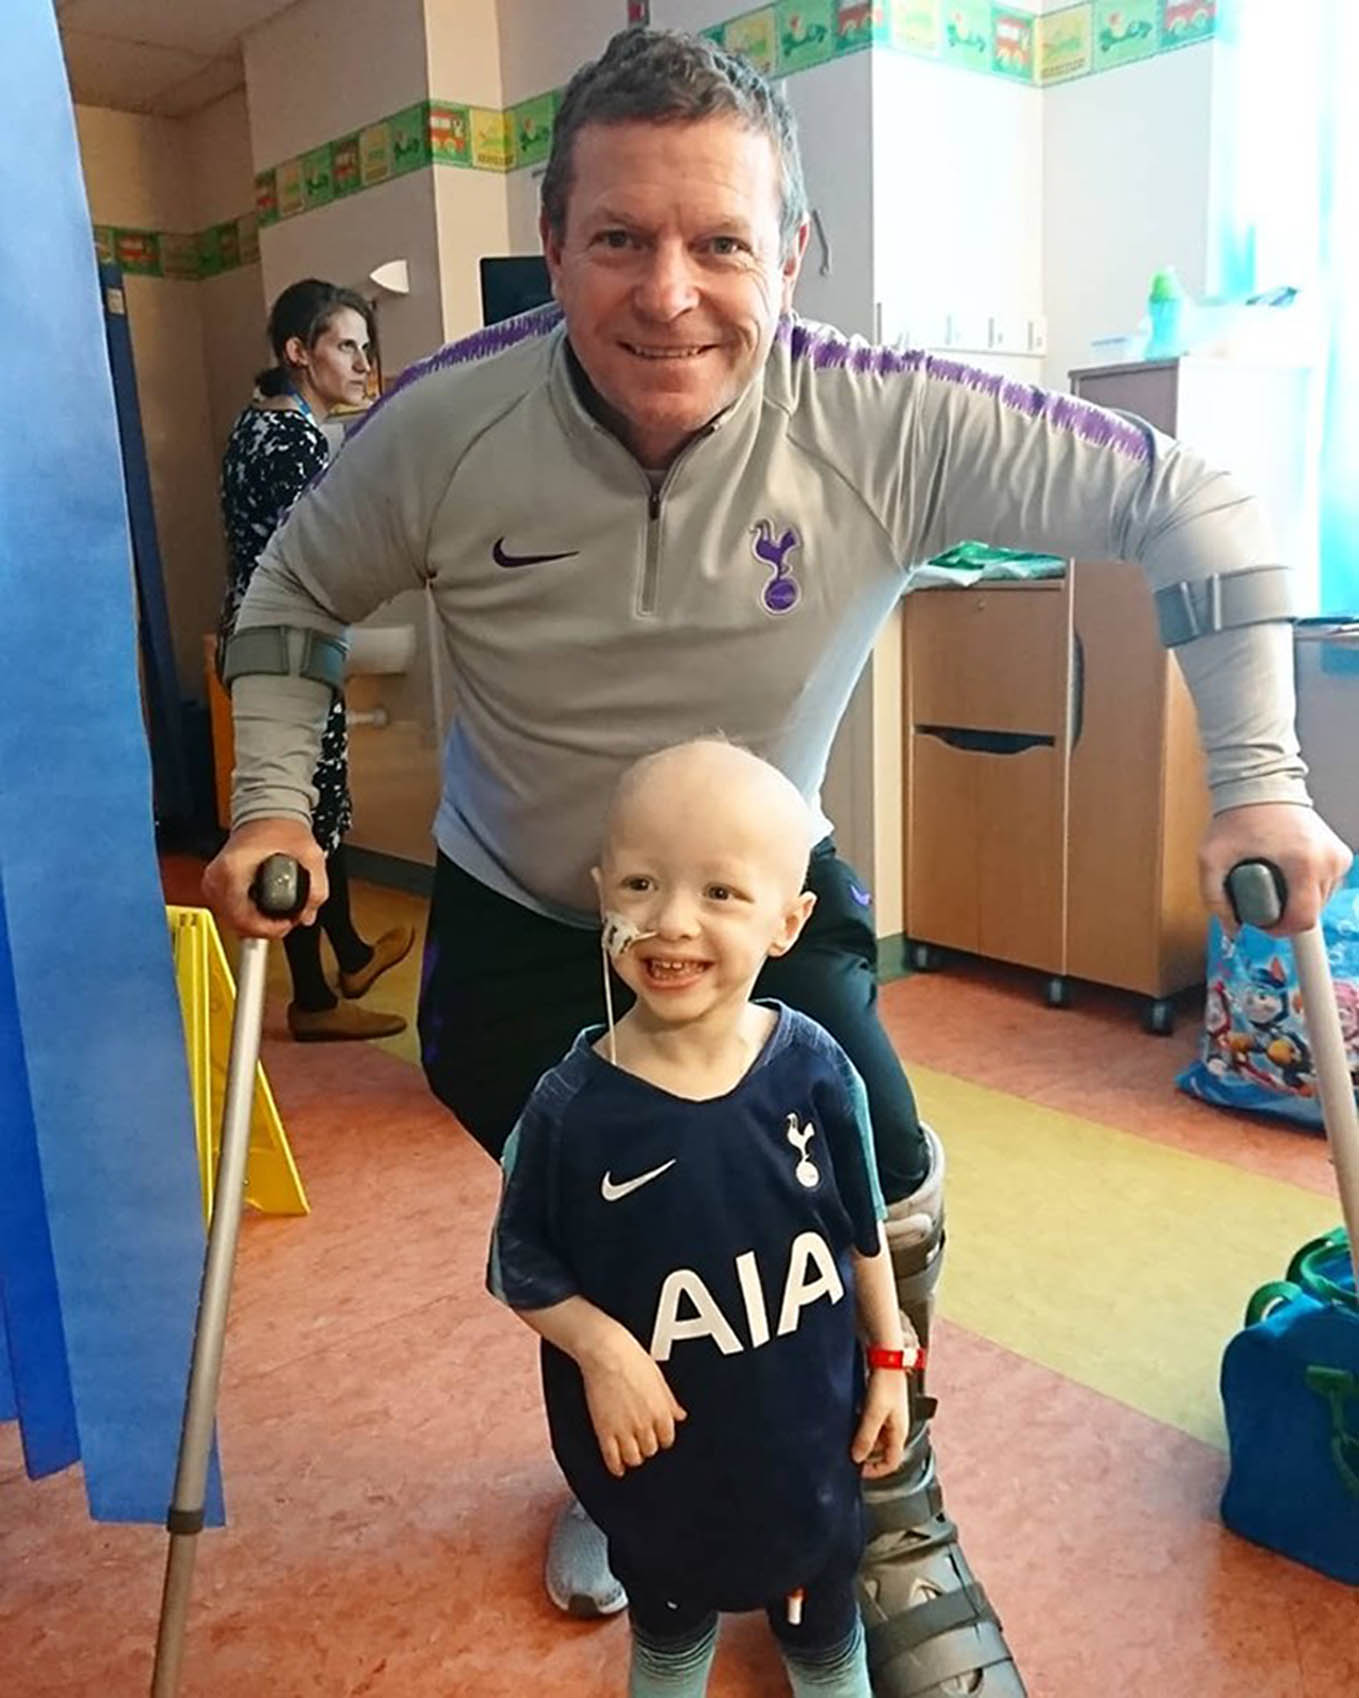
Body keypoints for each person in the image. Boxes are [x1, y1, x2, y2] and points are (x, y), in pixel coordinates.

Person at [203, 27, 1351, 1697]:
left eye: (720, 242)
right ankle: (630, 1479)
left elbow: (1199, 504)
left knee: (870, 1174)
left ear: (790, 254)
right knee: (600, 1216)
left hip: (765, 908)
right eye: (618, 238)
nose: (668, 293)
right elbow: (287, 598)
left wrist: (1253, 775)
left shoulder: (878, 419)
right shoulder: (445, 419)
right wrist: (268, 808)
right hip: (525, 922)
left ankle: (882, 1510)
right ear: (556, 237)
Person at [489, 739, 910, 1698]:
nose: (669, 921)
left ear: (788, 921)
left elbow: (860, 1224)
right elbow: (519, 1266)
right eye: (640, 882)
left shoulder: (814, 1068)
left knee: (825, 1644)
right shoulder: (568, 1109)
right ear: (602, 893)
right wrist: (604, 1351)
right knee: (670, 1643)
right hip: (660, 1473)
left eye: (720, 893)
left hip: (809, 1452)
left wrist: (888, 1359)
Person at [217, 278, 412, 1042]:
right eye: (345, 346)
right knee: (297, 821)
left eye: (368, 347)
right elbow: (325, 554)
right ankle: (315, 1003)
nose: (362, 363)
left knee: (318, 812)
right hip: (287, 649)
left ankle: (351, 956)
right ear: (299, 353)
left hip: (268, 641)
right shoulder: (292, 442)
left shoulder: (255, 427)